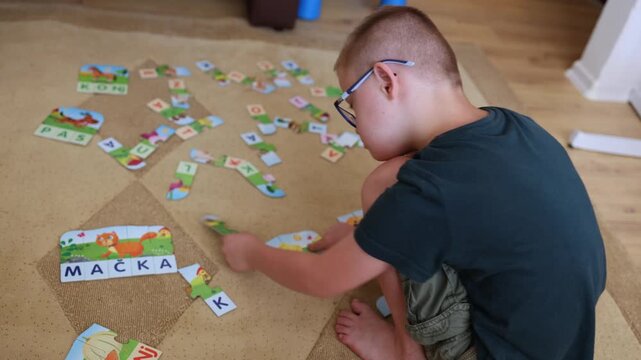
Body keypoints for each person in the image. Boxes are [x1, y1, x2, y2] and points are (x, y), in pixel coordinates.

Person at [219, 6, 606, 360]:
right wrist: (363, 238)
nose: (355, 126)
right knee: (393, 192)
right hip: (563, 341)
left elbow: (321, 279)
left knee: (381, 189)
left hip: (493, 351)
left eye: (352, 106)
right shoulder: (513, 125)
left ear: (387, 81)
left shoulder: (431, 192)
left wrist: (252, 251)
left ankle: (405, 351)